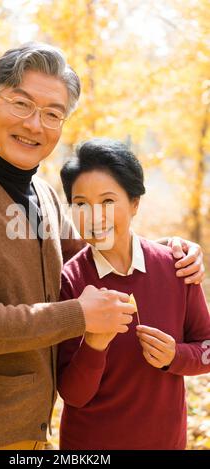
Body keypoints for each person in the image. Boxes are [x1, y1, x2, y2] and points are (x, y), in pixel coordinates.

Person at [0, 43, 205, 450]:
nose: (35, 125)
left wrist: (171, 250)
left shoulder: (43, 195)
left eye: (52, 114)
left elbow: (95, 246)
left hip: (35, 428)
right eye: (21, 104)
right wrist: (79, 316)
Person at [57, 138, 210, 450]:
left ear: (135, 203)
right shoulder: (69, 282)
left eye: (108, 202)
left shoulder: (177, 267)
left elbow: (207, 347)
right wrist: (95, 346)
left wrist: (176, 356)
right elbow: (72, 395)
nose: (94, 216)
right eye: (80, 204)